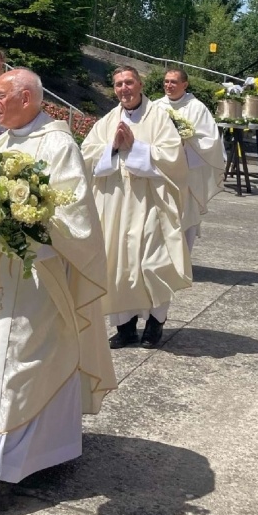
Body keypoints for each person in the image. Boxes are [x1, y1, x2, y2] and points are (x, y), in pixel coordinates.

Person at [0, 68, 116, 503]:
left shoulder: (58, 143)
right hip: (4, 271)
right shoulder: (5, 140)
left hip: (40, 276)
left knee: (20, 367)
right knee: (36, 362)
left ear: (26, 97)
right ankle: (52, 450)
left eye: (0, 95)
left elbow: (75, 214)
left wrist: (26, 223)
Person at [81, 66, 190, 350]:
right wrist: (114, 148)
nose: (124, 89)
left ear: (140, 85)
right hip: (116, 203)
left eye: (129, 82)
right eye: (118, 84)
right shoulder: (108, 121)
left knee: (152, 264)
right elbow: (88, 155)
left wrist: (137, 147)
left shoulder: (159, 118)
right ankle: (125, 327)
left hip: (151, 202)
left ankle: (155, 323)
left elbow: (173, 157)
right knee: (118, 265)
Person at [154, 68, 226, 252]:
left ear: (184, 85)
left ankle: (184, 257)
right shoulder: (156, 106)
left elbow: (211, 140)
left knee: (186, 214)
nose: (168, 86)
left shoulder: (197, 108)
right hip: (160, 170)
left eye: (173, 82)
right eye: (166, 81)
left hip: (187, 171)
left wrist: (187, 139)